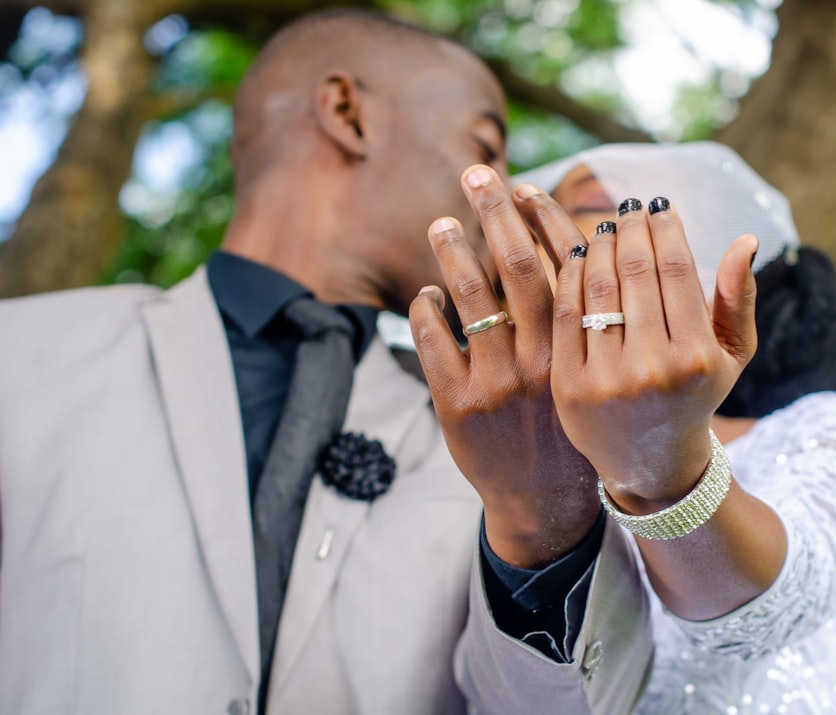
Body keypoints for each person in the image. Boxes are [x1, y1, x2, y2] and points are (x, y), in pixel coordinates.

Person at [0, 10, 649, 714]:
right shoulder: (23, 354)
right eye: (486, 147)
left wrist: (540, 514)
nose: (505, 187)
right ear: (347, 113)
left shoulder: (510, 429)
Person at [411, 142, 836, 713]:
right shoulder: (474, 462)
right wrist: (527, 514)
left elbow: (774, 611)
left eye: (624, 208)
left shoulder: (820, 427)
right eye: (567, 212)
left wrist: (659, 466)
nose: (590, 187)